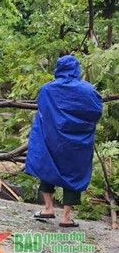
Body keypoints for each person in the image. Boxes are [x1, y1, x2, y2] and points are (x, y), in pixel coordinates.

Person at [26, 54, 103, 227]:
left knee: (48, 167)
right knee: (74, 173)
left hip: (52, 139)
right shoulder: (88, 90)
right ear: (77, 69)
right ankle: (66, 217)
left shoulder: (47, 89)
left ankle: (48, 208)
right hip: (77, 143)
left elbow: (43, 112)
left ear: (58, 69)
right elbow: (97, 111)